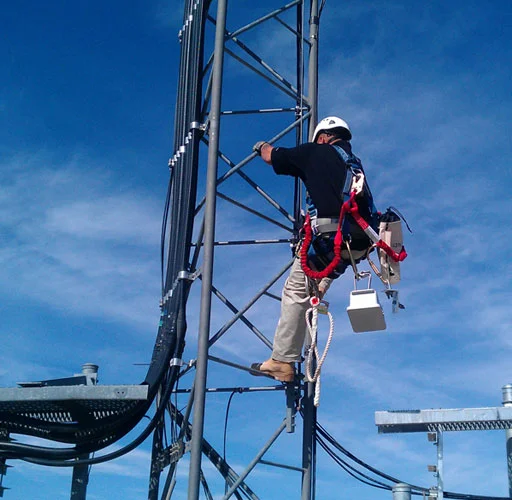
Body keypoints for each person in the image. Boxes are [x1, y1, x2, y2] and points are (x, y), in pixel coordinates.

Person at [250, 116, 370, 382]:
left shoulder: (315, 151)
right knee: (318, 277)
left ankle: (282, 361)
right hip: (357, 243)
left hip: (329, 239)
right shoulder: (354, 165)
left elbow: (272, 157)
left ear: (324, 137)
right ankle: (319, 288)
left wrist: (260, 146)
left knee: (295, 290)